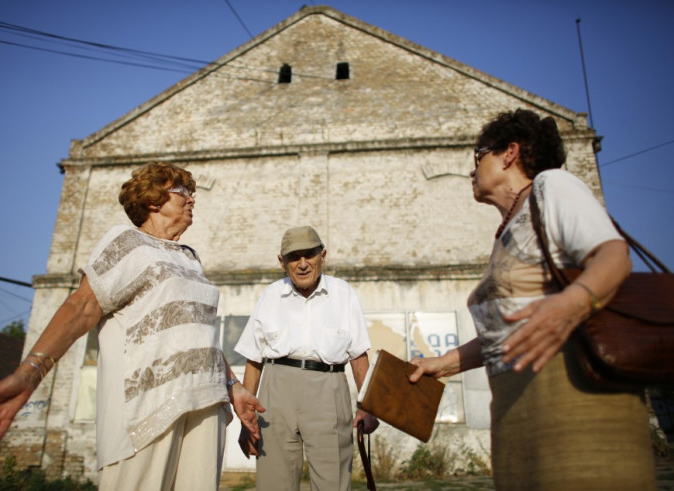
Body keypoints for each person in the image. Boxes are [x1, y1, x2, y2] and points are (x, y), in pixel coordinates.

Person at [0, 162, 265, 491]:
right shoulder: (127, 242)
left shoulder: (189, 258)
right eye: (182, 192)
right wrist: (30, 371)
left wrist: (233, 387)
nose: (192, 200)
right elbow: (83, 305)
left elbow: (195, 335)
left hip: (205, 402)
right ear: (152, 201)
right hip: (149, 405)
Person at [409, 109, 656, 490]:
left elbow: (613, 256)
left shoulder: (552, 187)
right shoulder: (509, 229)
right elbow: (509, 329)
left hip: (572, 399)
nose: (473, 171)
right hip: (515, 406)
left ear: (510, 153)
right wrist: (441, 364)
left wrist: (573, 302)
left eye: (478, 157)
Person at [234, 225, 379, 491]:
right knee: (274, 483)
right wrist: (246, 420)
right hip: (275, 395)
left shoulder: (343, 293)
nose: (302, 264)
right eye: (293, 257)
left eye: (309, 255)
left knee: (332, 481)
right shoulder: (270, 296)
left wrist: (368, 405)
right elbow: (254, 360)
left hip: (329, 391)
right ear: (282, 262)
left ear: (323, 256)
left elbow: (359, 356)